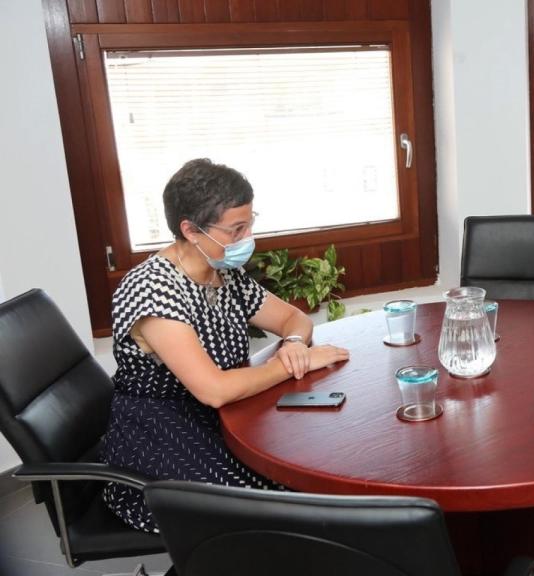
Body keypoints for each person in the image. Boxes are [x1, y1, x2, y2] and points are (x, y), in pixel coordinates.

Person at [101, 158, 350, 532]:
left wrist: (296, 343)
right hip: (163, 431)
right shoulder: (153, 290)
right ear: (191, 230)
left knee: (311, 464)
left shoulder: (223, 272)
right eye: (236, 229)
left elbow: (292, 318)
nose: (248, 238)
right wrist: (289, 365)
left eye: (249, 223)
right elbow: (214, 390)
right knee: (276, 506)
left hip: (228, 416)